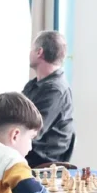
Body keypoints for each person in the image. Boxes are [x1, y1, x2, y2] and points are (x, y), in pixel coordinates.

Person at [22, 30, 74, 167]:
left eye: (31, 49)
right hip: (26, 155)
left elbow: (32, 131)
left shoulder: (55, 90)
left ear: (39, 52)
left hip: (39, 163)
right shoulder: (33, 85)